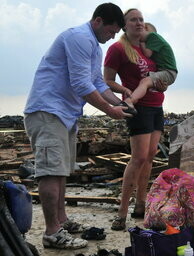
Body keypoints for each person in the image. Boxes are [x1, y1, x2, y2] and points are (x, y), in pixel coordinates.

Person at [23, 3, 127, 249]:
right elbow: (81, 84)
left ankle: (61, 220)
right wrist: (110, 111)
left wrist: (122, 104)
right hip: (48, 110)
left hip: (65, 114)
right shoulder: (79, 38)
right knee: (50, 171)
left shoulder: (94, 46)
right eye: (111, 31)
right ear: (98, 21)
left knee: (61, 171)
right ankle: (51, 233)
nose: (112, 37)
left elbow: (97, 83)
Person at [103, 8, 168, 231]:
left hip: (157, 105)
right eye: (133, 20)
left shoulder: (149, 48)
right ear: (125, 25)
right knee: (138, 158)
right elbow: (106, 80)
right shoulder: (118, 48)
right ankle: (121, 212)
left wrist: (163, 84)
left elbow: (162, 75)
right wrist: (125, 90)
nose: (139, 22)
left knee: (150, 156)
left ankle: (141, 205)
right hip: (137, 108)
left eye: (141, 19)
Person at [122, 22, 177, 109]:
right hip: (167, 72)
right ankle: (134, 99)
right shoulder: (155, 41)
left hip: (168, 72)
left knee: (145, 82)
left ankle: (130, 101)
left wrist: (143, 43)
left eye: (140, 32)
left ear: (146, 28)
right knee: (146, 82)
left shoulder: (153, 36)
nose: (139, 38)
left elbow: (147, 54)